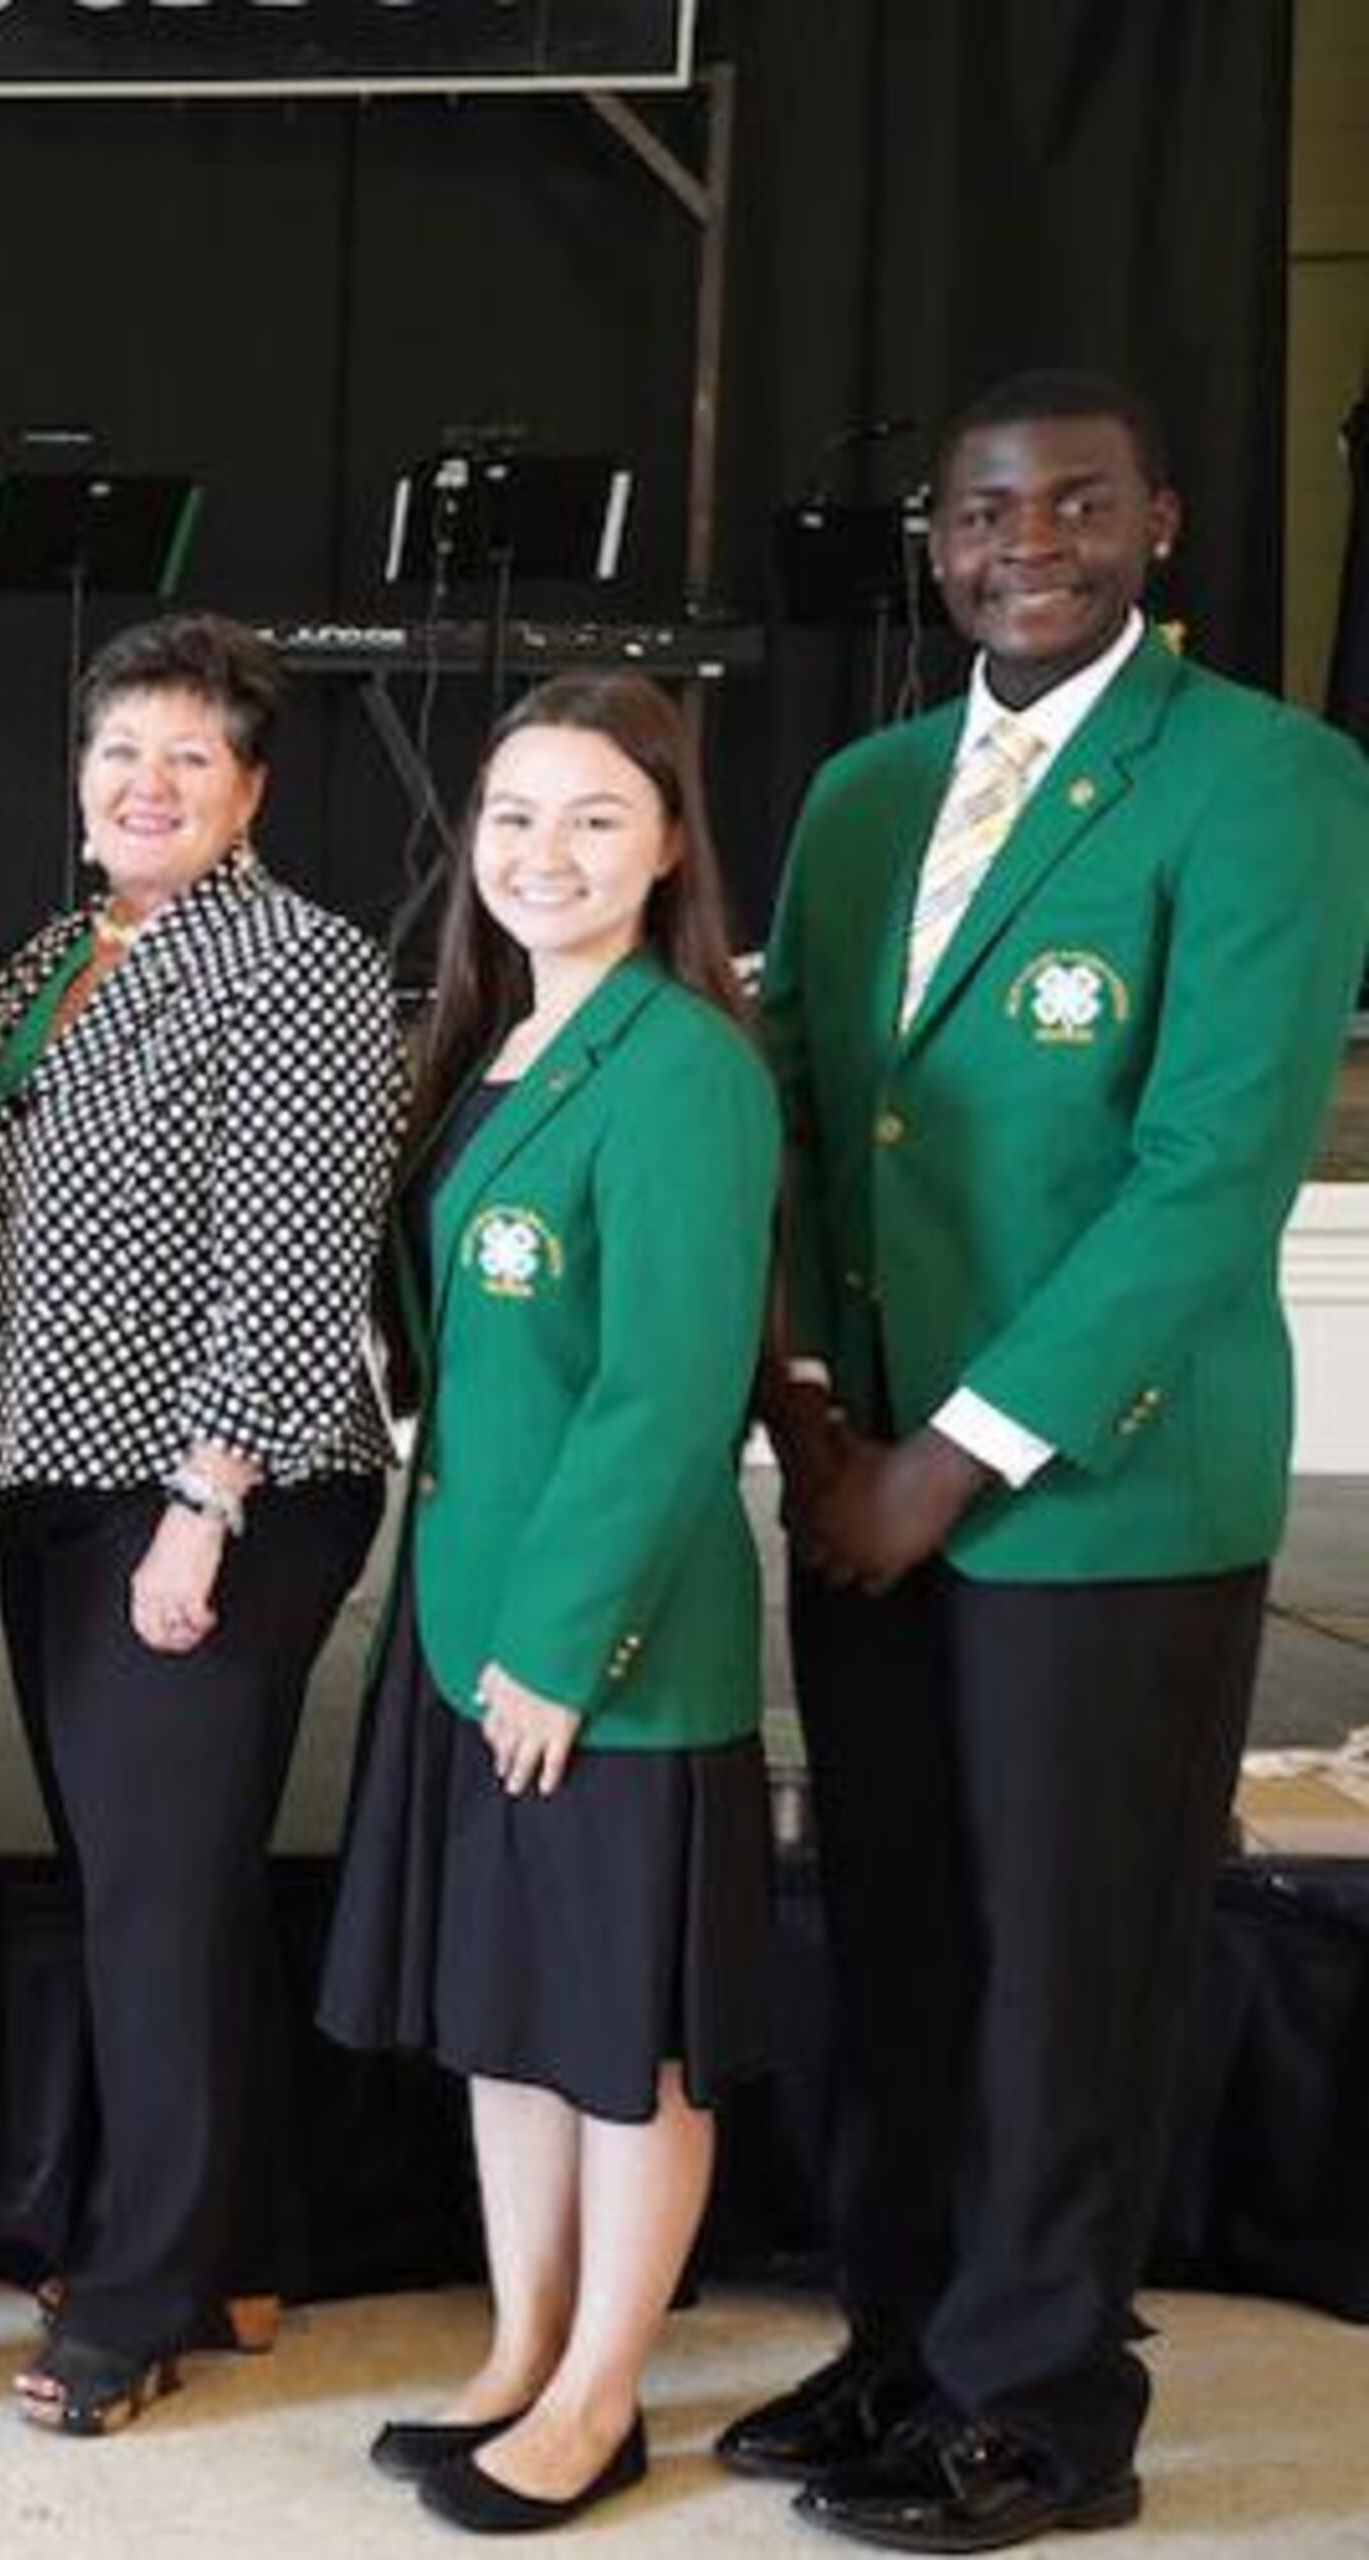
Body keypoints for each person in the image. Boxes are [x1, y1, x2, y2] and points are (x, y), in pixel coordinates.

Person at [738, 369, 1369, 2550]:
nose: (1034, 538)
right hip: (866, 1482)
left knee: (1066, 1958)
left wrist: (949, 1462)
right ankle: (906, 2336)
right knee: (903, 1937)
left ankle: (1043, 2406)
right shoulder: (859, 794)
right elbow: (811, 1116)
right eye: (991, 508)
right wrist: (819, 1417)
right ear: (939, 541)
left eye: (1081, 504)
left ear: (1162, 526)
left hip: (1095, 1498)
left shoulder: (1272, 780)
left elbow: (1213, 1172)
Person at [317, 673, 780, 2533]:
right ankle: (520, 2345)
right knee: (508, 2017)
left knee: (620, 2039)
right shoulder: (497, 1045)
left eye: (596, 816)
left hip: (607, 1650)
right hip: (468, 1615)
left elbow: (668, 1396)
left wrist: (563, 1650)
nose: (543, 853)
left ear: (669, 846)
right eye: (512, 814)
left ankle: (604, 2391)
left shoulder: (683, 1069)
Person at [0, 612, 396, 2438]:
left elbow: (288, 1264)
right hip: (52, 1472)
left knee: (151, 1904)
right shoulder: (50, 960)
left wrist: (202, 1510)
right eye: (119, 751)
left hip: (220, 1489)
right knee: (169, 1890)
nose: (147, 785)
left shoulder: (296, 965)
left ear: (254, 793)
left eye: (190, 759)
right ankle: (238, 2246)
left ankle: (132, 2301)